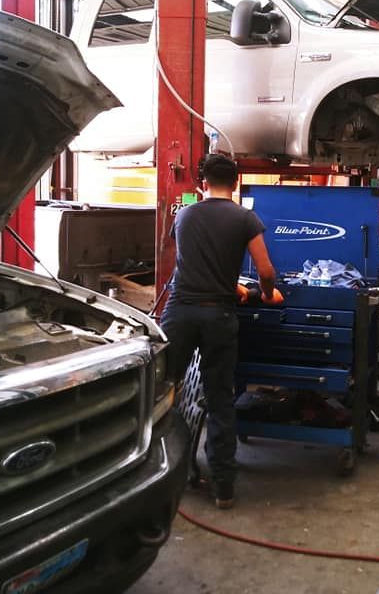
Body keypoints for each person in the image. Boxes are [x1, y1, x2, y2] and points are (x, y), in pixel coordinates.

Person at [160, 154, 278, 510]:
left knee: (165, 393)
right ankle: (223, 488)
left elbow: (191, 264)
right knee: (220, 399)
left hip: (179, 313)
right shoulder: (244, 218)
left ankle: (161, 478)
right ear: (237, 180)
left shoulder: (185, 214)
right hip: (218, 316)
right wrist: (266, 293)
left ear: (203, 180)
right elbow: (266, 269)